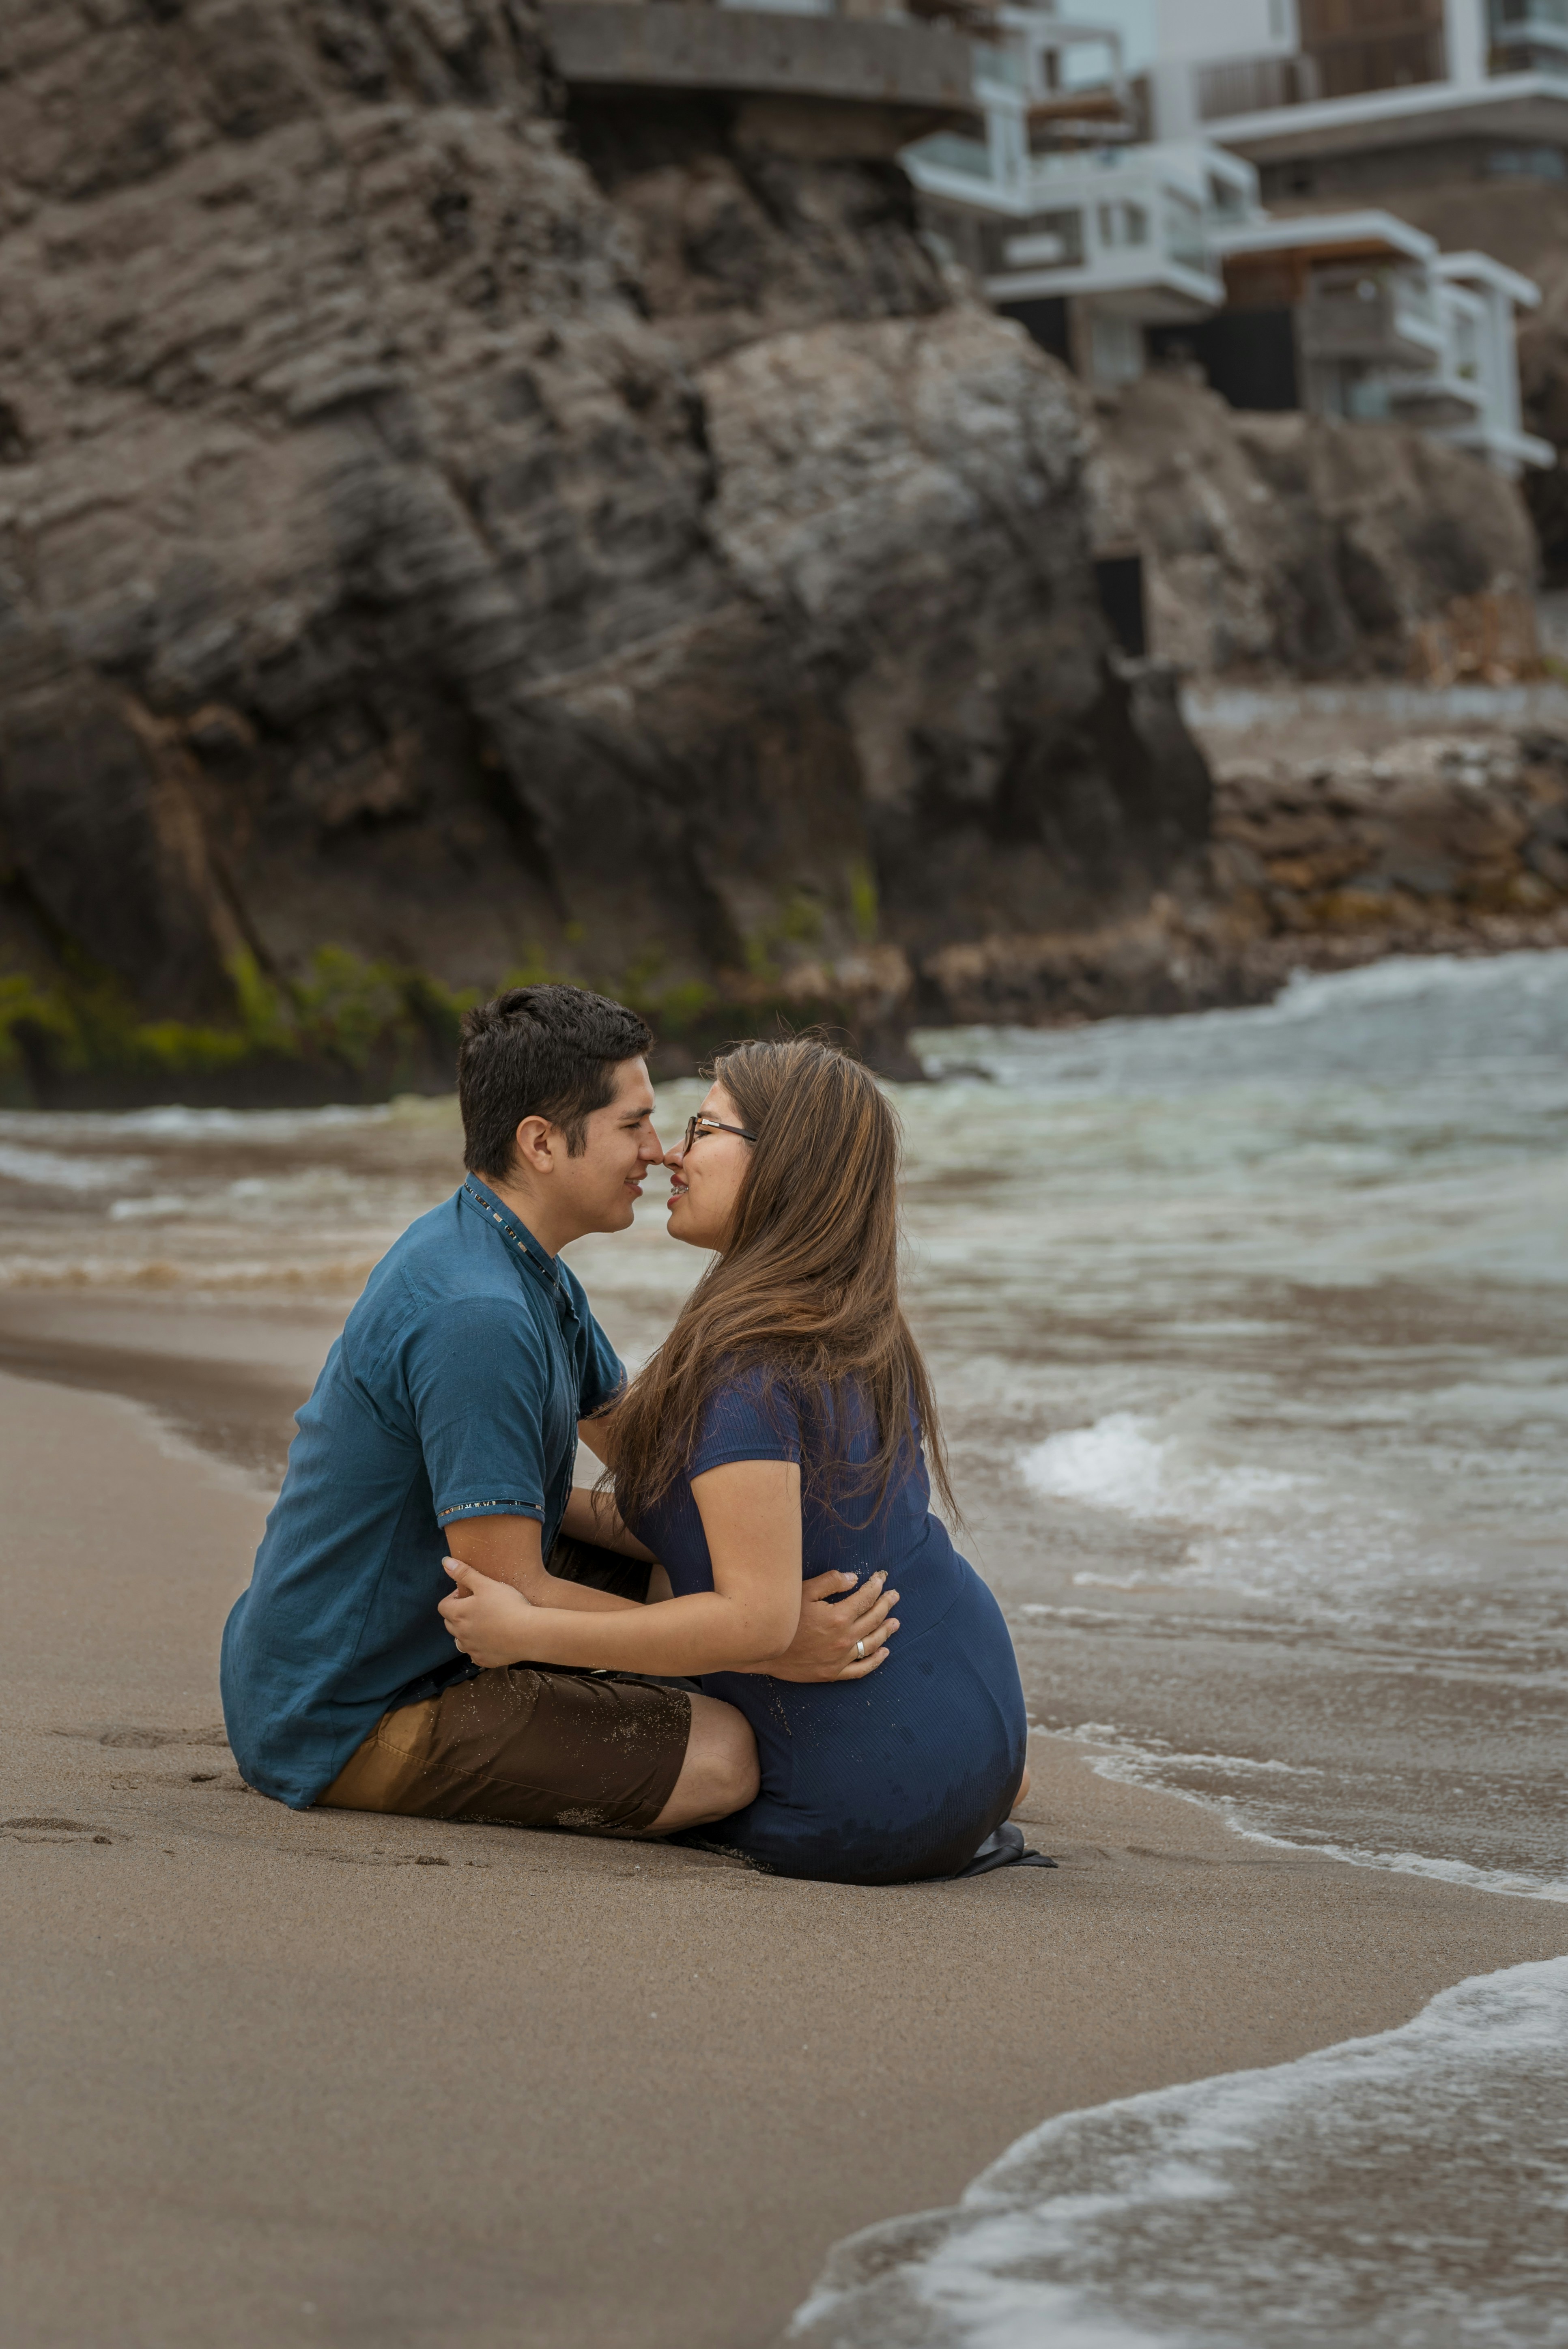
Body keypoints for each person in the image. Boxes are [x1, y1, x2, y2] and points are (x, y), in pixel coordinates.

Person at [219, 987, 895, 1839]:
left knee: (690, 1577)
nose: (659, 1152)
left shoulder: (521, 1262)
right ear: (540, 1142)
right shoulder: (477, 1317)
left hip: (420, 1628)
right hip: (349, 1711)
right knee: (724, 1754)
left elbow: (650, 1473)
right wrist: (760, 1642)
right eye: (633, 1125)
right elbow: (512, 1591)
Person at [439, 1036, 1033, 1885]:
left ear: (786, 1165)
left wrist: (526, 1631)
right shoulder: (852, 1328)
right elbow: (712, 1526)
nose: (672, 1154)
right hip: (966, 1729)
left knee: (656, 1711)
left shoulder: (750, 1374)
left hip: (864, 1801)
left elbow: (755, 1623)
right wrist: (497, 1492)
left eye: (705, 1131)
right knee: (663, 1591)